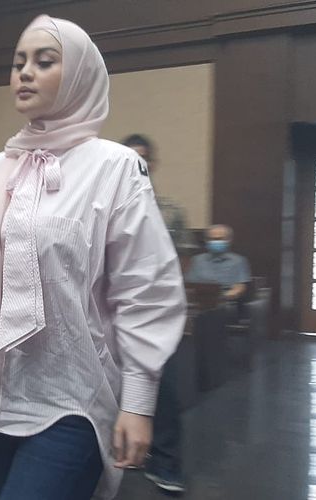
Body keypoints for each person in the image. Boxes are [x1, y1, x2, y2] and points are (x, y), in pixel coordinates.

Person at [0, 15, 186, 500]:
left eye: (44, 61)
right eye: (18, 62)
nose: (25, 72)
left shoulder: (115, 166)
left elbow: (145, 289)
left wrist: (139, 402)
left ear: (79, 74)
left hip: (71, 397)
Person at [123, 134, 189, 493]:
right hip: (114, 309)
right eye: (130, 157)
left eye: (143, 159)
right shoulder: (104, 203)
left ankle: (165, 463)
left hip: (155, 309)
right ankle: (124, 451)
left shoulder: (169, 210)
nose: (137, 164)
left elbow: (179, 262)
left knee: (164, 388)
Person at [186, 224, 251, 321]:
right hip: (199, 302)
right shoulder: (197, 260)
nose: (215, 242)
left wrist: (222, 297)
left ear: (229, 240)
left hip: (225, 303)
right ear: (206, 241)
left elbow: (240, 287)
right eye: (212, 239)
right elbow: (190, 285)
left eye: (219, 239)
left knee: (213, 314)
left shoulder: (238, 261)